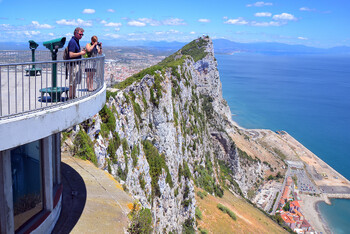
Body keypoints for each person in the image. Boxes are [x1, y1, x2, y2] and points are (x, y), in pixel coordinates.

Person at [67, 27, 86, 99]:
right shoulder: (72, 42)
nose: (81, 36)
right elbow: (71, 54)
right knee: (72, 81)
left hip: (76, 64)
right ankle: (71, 97)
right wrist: (80, 53)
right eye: (80, 34)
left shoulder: (76, 41)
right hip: (73, 65)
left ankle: (73, 96)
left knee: (75, 81)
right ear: (75, 33)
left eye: (82, 35)